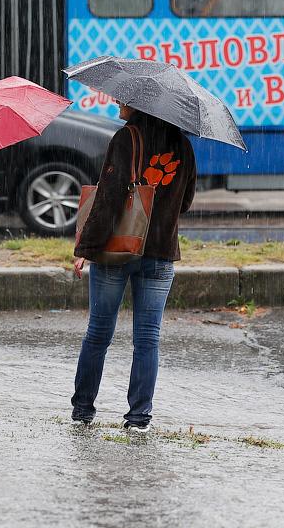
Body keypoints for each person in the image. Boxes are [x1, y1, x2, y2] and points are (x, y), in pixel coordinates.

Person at [70, 103, 197, 433]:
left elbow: (110, 199)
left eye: (123, 99)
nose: (118, 103)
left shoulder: (127, 137)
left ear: (139, 103)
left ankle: (83, 410)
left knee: (99, 333)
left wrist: (86, 247)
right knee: (147, 339)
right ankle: (139, 418)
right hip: (161, 252)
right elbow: (185, 202)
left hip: (118, 250)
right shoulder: (183, 144)